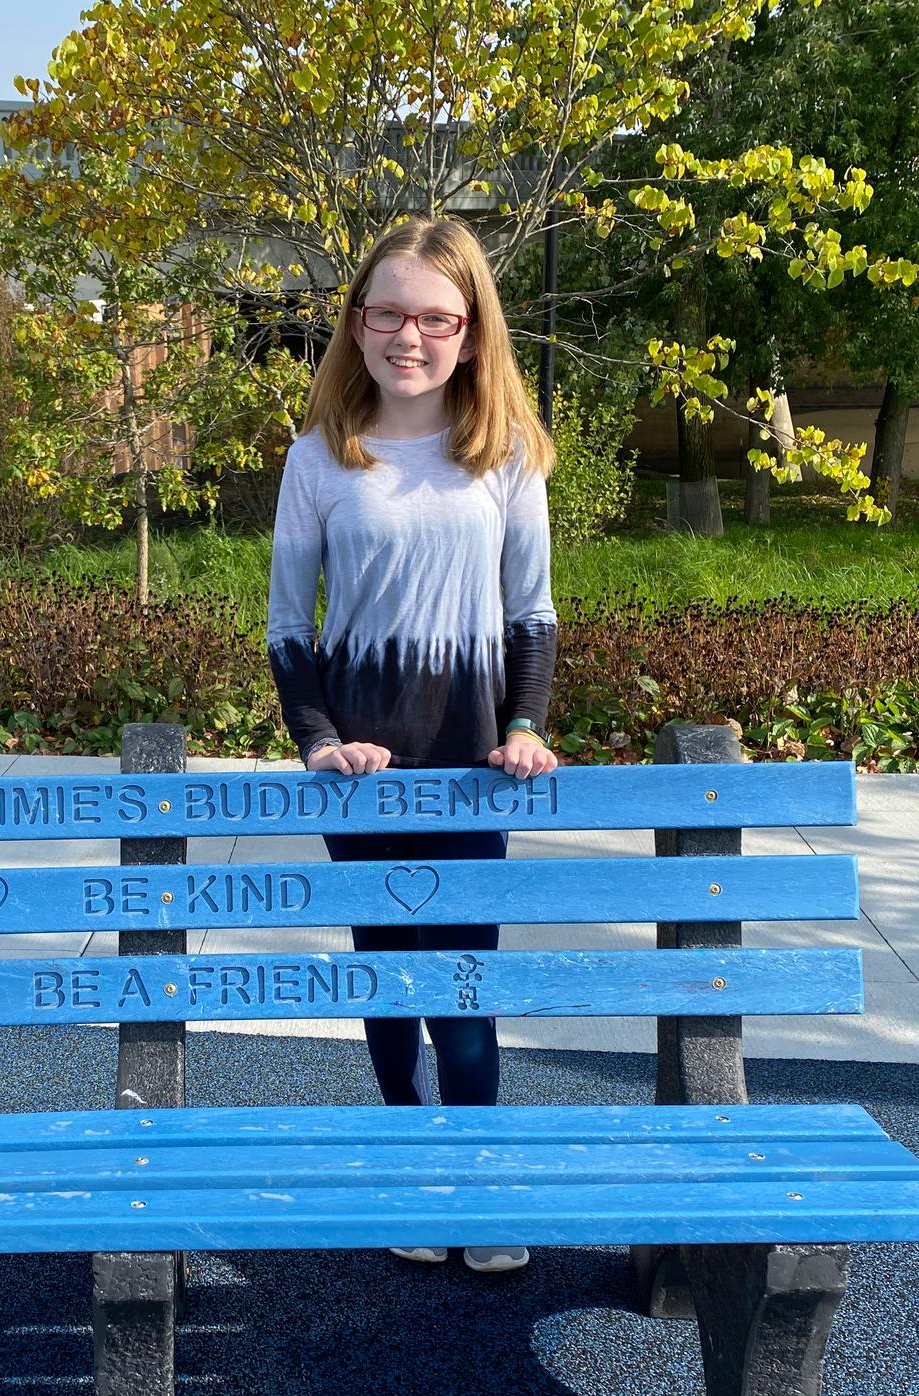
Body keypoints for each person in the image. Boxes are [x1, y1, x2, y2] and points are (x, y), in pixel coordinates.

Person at [266, 216, 558, 1274]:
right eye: (385, 312)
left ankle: (475, 1183)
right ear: (354, 325)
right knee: (386, 972)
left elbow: (531, 613)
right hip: (360, 771)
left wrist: (522, 726)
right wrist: (317, 744)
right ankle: (408, 1168)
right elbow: (287, 628)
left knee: (463, 981)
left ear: (472, 332)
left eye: (434, 317)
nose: (408, 335)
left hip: (469, 766)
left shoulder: (507, 458)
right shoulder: (318, 459)